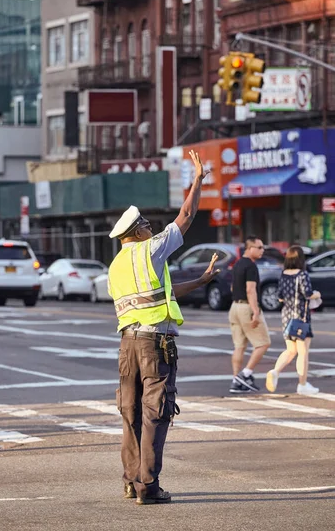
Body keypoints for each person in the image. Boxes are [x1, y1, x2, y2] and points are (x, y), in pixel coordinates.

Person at [108, 150, 219, 506]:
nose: (152, 228)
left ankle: (130, 481)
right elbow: (185, 217)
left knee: (130, 414)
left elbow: (161, 293)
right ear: (137, 231)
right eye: (147, 225)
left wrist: (200, 281)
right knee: (156, 413)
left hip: (127, 346)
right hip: (155, 345)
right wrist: (198, 180)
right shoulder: (150, 250)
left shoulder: (115, 267)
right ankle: (148, 487)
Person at [266, 245, 321, 396]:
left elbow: (280, 297)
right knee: (303, 353)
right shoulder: (302, 275)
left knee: (291, 350)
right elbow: (308, 293)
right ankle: (302, 384)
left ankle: (275, 371)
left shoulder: (283, 274)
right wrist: (317, 294)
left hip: (286, 317)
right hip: (301, 317)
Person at [228, 235, 271, 393]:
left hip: (234, 307)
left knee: (239, 346)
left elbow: (233, 287)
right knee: (263, 343)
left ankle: (235, 381)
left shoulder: (238, 264)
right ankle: (245, 374)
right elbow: (250, 290)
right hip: (246, 307)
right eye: (259, 247)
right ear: (249, 248)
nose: (262, 250)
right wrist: (255, 312)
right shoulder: (251, 266)